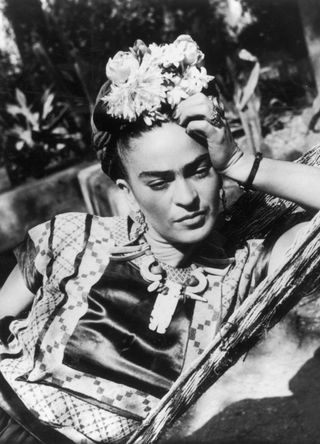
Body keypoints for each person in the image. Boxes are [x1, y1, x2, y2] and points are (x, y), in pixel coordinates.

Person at [0, 35, 320, 444]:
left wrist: (240, 161)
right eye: (159, 182)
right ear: (127, 189)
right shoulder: (72, 237)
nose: (186, 198)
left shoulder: (245, 271)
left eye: (199, 171)